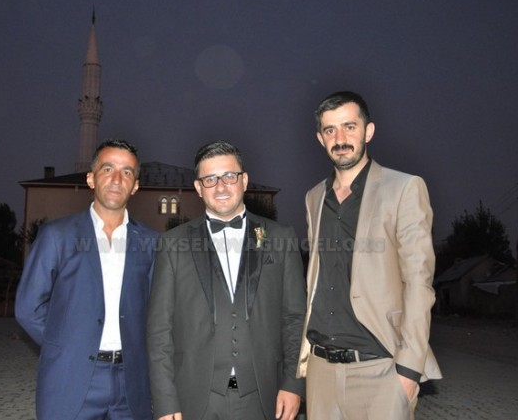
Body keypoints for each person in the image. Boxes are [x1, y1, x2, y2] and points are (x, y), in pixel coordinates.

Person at [296, 91, 442, 420]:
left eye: (349, 126)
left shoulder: (404, 188)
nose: (340, 138)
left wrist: (408, 371)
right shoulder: (314, 197)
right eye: (330, 130)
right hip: (320, 371)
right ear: (320, 138)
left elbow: (418, 283)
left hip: (380, 369)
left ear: (368, 131)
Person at [147, 140, 306, 420]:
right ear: (198, 188)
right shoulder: (172, 244)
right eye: (210, 179)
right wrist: (165, 401)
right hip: (194, 399)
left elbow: (295, 318)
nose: (220, 187)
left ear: (244, 180)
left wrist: (294, 384)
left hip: (264, 397)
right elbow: (159, 329)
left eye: (229, 176)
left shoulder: (280, 237)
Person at [15, 139, 158, 420]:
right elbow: (28, 307)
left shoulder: (151, 242)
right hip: (71, 379)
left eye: (127, 172)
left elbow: (157, 313)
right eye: (108, 169)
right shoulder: (57, 235)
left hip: (132, 383)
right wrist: (68, 346)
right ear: (91, 179)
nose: (117, 179)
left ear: (135, 185)